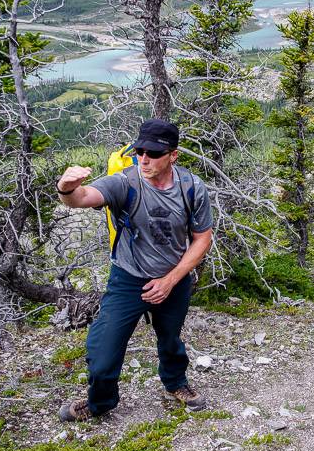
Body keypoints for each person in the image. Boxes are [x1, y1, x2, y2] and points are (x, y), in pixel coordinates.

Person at [55, 119, 214, 421]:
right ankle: (100, 402)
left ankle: (175, 383)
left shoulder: (192, 188)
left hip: (174, 278)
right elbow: (83, 198)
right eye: (140, 151)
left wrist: (170, 280)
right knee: (102, 349)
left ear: (173, 155)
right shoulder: (124, 182)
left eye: (153, 153)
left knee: (170, 338)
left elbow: (202, 238)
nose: (144, 159)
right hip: (128, 279)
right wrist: (66, 188)